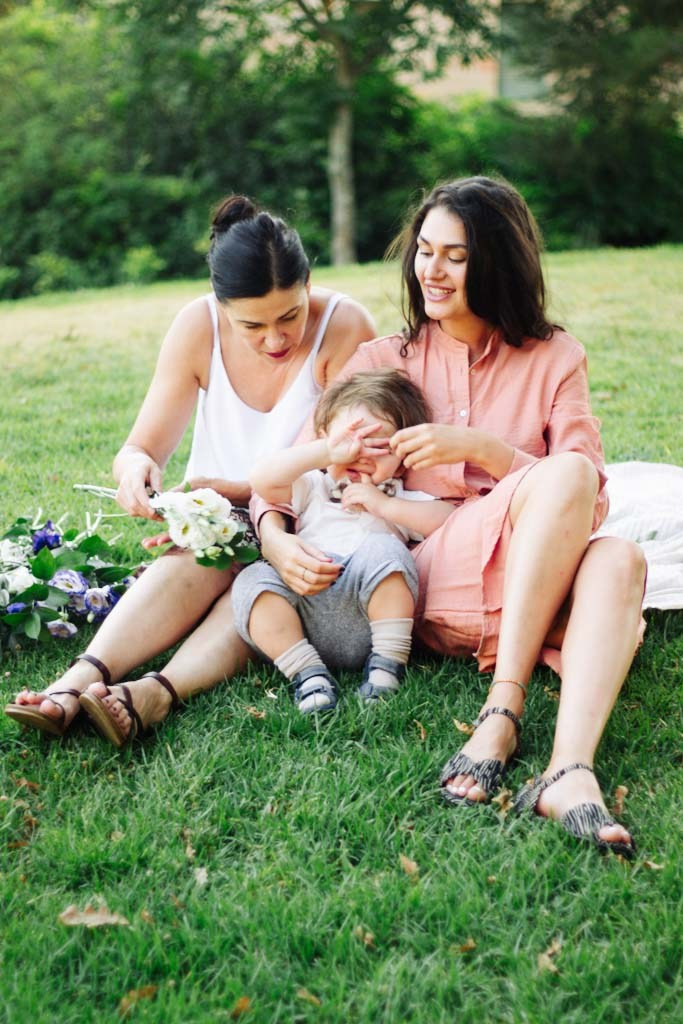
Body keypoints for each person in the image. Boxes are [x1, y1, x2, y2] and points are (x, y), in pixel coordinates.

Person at [255, 176, 646, 857]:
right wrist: (273, 536)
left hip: (527, 576)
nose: (429, 270)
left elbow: (588, 492)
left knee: (619, 556)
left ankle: (568, 769)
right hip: (427, 578)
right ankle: (501, 711)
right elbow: (292, 472)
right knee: (571, 493)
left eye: (454, 256)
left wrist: (487, 453)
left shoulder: (556, 357)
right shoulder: (383, 362)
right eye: (423, 251)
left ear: (497, 262)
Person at [4, 195, 376, 745]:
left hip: (312, 523)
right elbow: (142, 445)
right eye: (252, 325)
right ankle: (78, 681)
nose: (275, 339)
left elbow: (353, 468)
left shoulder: (345, 326)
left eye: (290, 316)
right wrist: (136, 471)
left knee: (253, 577)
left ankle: (154, 692)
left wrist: (243, 494)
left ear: (308, 283)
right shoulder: (196, 326)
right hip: (218, 525)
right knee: (211, 556)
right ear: (220, 304)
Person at [232, 370, 454, 713]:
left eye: (379, 447)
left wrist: (386, 506)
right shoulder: (311, 485)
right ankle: (307, 674)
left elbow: (448, 521)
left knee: (385, 551)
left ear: (402, 457)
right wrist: (326, 452)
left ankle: (387, 665)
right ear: (323, 439)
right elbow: (262, 479)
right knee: (251, 582)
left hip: (370, 619)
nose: (360, 454)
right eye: (349, 442)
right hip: (303, 608)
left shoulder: (396, 498)